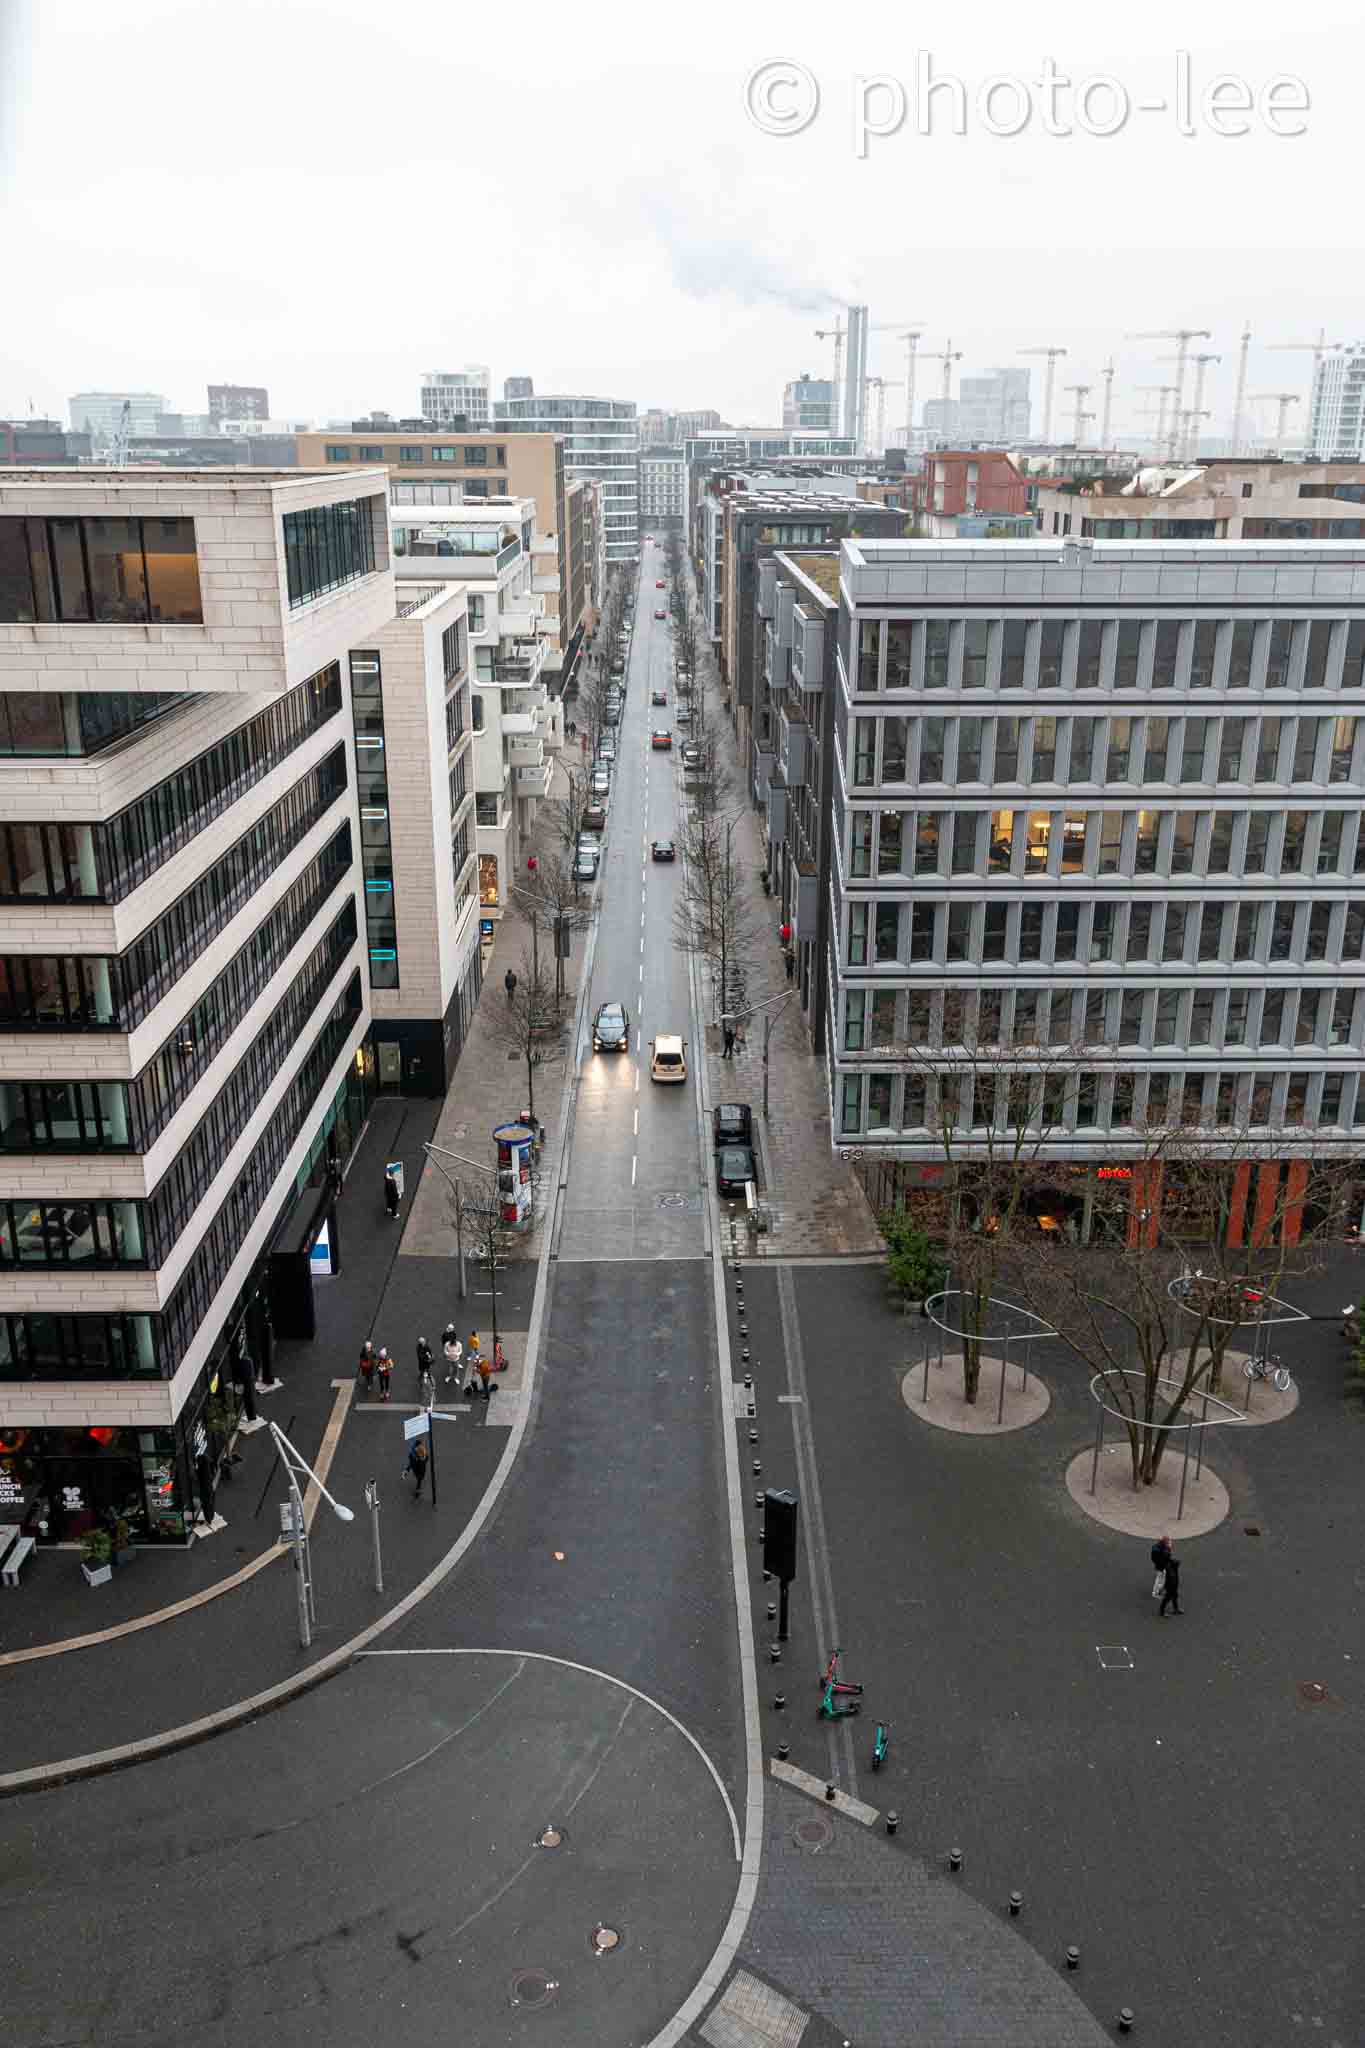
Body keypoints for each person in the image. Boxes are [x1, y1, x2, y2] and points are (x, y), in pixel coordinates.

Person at [1159, 1542, 1183, 1617]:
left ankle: (1175, 1609)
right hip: (1170, 1586)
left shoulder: (1170, 1563)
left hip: (1174, 1584)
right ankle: (1162, 1612)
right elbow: (1165, 1578)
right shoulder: (1167, 1566)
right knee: (1167, 1598)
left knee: (1174, 1596)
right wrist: (1162, 1588)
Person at [1151, 1534, 1172, 1604]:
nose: (1169, 1543)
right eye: (1168, 1541)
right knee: (1159, 1579)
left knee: (1162, 1578)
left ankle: (1159, 1590)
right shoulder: (1161, 1549)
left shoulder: (1158, 1547)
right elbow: (1166, 1557)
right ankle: (1155, 1593)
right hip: (1161, 1566)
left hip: (1161, 1565)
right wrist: (1169, 1549)